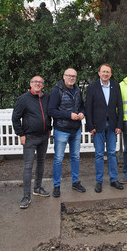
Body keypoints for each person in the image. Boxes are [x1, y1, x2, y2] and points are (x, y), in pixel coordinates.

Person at [12, 76, 52, 209]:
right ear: (30, 84)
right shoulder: (23, 99)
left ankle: (38, 188)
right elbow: (15, 118)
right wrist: (21, 134)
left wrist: (49, 128)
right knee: (28, 166)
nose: (38, 84)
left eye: (40, 82)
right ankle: (26, 196)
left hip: (43, 137)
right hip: (29, 137)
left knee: (41, 163)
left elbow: (49, 114)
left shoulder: (46, 97)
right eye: (35, 82)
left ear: (43, 85)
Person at [85, 64, 124, 193]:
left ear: (111, 74)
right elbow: (88, 108)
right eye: (103, 72)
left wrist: (119, 125)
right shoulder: (92, 87)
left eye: (108, 72)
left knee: (112, 153)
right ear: (99, 73)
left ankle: (113, 180)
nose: (105, 74)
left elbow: (120, 106)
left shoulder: (115, 86)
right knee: (99, 154)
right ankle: (99, 181)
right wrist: (90, 126)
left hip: (112, 125)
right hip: (98, 125)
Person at [48, 68, 86, 197]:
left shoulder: (78, 90)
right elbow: (51, 111)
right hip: (61, 130)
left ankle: (75, 182)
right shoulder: (56, 91)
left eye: (74, 76)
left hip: (75, 129)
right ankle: (56, 185)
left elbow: (82, 106)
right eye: (69, 76)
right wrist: (68, 115)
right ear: (64, 77)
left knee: (75, 157)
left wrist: (82, 113)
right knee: (58, 159)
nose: (71, 78)